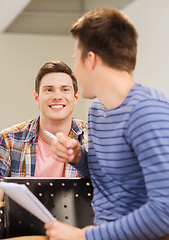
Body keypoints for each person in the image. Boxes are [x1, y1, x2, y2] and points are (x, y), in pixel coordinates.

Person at [45, 8, 169, 240]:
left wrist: (85, 237)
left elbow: (165, 211)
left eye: (76, 61)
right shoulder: (97, 112)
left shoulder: (148, 112)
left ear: (90, 59)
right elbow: (110, 178)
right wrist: (78, 157)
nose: (76, 72)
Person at [0, 61, 88, 238]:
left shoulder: (92, 138)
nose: (57, 96)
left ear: (76, 97)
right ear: (36, 97)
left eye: (65, 89)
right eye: (48, 90)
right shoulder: (8, 140)